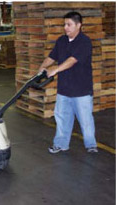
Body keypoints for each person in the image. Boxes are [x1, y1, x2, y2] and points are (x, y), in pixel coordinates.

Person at [38, 11, 98, 153]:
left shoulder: (84, 42)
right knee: (62, 119)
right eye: (65, 24)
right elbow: (52, 57)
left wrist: (55, 70)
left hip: (81, 90)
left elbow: (72, 60)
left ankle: (91, 145)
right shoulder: (61, 40)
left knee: (86, 120)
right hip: (64, 90)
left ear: (79, 25)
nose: (66, 27)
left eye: (69, 24)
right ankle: (61, 144)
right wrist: (42, 68)